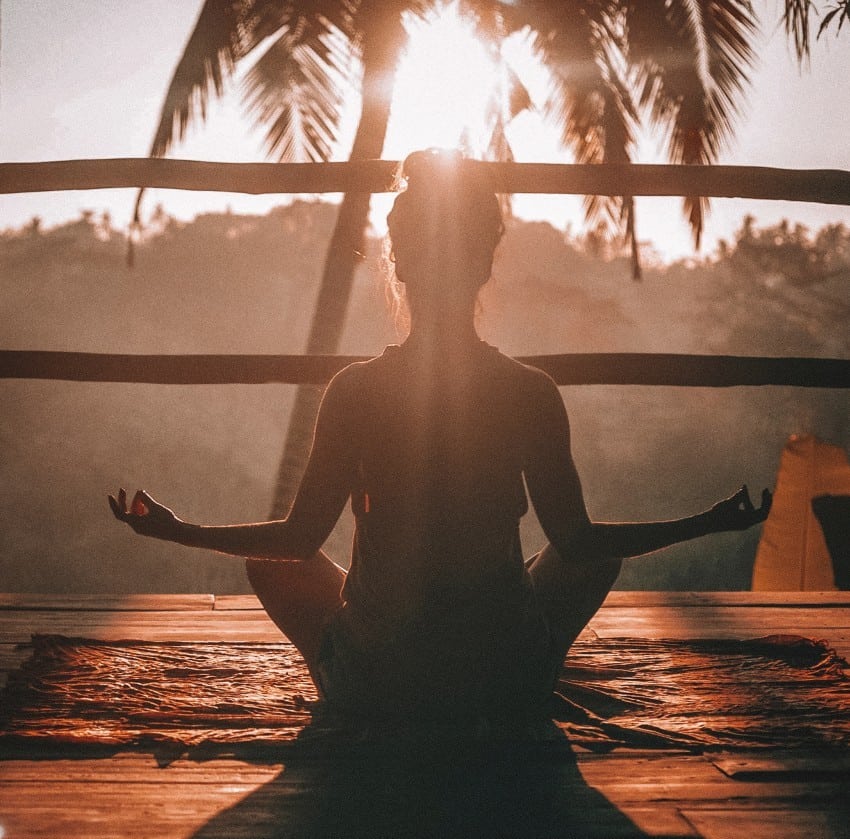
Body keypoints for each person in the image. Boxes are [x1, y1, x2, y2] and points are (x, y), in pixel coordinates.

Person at [110, 149, 771, 721]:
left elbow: (297, 539)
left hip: (380, 686)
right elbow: (579, 541)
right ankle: (524, 668)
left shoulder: (355, 391)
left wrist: (179, 529)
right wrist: (708, 521)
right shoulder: (529, 391)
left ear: (399, 264)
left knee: (272, 564)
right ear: (485, 264)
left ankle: (355, 677)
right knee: (594, 554)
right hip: (502, 681)